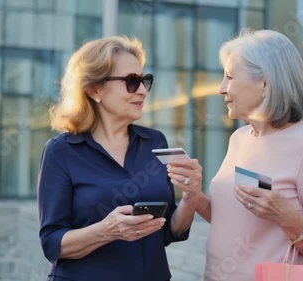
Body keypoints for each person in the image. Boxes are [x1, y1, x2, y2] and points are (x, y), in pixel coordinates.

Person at [167, 29, 303, 281]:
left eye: (229, 77)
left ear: (265, 83)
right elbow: (229, 219)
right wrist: (195, 195)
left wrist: (287, 216)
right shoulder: (239, 138)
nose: (221, 88)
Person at [37, 36, 202, 281]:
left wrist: (191, 195)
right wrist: (106, 231)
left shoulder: (155, 143)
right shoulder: (61, 151)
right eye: (131, 81)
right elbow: (52, 243)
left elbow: (168, 231)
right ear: (94, 90)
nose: (143, 91)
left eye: (145, 80)